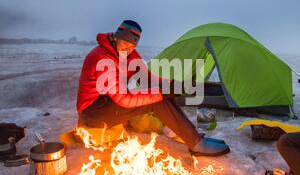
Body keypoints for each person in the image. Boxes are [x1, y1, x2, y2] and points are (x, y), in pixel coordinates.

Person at [77, 19, 230, 156]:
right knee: (156, 99)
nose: (127, 49)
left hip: (109, 102)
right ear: (116, 37)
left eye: (132, 46)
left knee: (162, 94)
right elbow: (123, 99)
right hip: (93, 112)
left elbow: (146, 77)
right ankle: (195, 143)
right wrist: (162, 93)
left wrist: (172, 84)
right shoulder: (102, 58)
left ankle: (191, 135)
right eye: (124, 43)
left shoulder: (128, 55)